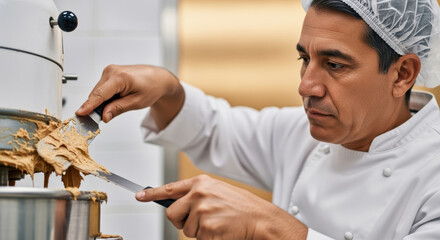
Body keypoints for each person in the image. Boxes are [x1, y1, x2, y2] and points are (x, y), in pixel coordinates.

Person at [76, 0, 440, 239]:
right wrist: (168, 89)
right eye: (304, 59)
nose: (306, 86)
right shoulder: (302, 133)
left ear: (402, 74)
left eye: (334, 64)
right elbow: (212, 131)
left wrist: (271, 228)